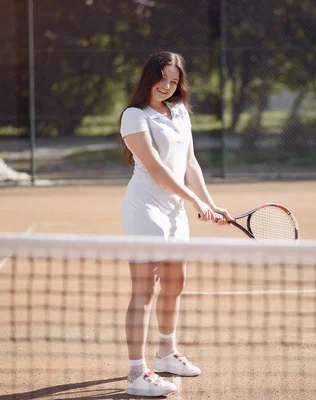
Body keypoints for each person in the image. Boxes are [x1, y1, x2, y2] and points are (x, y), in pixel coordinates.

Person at [119, 51, 232, 397]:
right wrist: (195, 201)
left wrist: (209, 202)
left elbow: (190, 162)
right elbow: (156, 169)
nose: (167, 86)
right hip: (145, 210)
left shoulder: (179, 111)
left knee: (175, 283)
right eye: (162, 78)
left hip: (173, 211)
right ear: (148, 77)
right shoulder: (134, 117)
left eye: (174, 80)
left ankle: (166, 352)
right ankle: (137, 372)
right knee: (145, 291)